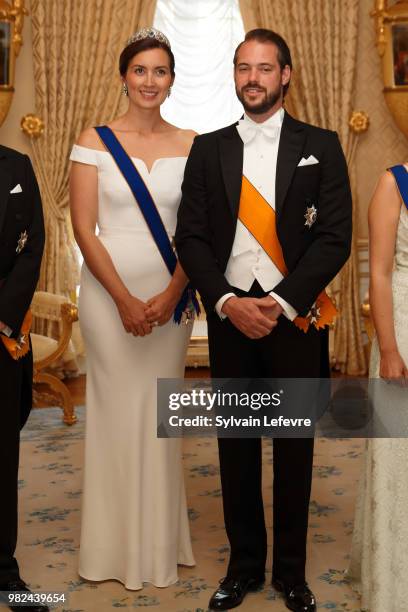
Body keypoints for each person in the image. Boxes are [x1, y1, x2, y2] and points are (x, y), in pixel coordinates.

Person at [176, 28, 352, 612]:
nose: (253, 78)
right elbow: (192, 237)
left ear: (286, 75)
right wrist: (226, 301)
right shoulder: (210, 148)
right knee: (237, 446)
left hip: (293, 319)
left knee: (295, 447)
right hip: (231, 318)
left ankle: (292, 575)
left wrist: (278, 302)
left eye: (264, 68)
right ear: (235, 75)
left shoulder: (321, 145)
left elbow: (334, 239)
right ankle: (244, 567)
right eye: (243, 68)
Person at [69, 27, 196, 590]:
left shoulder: (194, 143)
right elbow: (83, 228)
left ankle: (159, 544)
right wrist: (122, 299)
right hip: (106, 298)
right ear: (124, 76)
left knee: (160, 418)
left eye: (160, 71)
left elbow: (199, 231)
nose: (150, 81)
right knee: (117, 413)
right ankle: (110, 549)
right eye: (140, 70)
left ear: (172, 80)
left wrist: (170, 295)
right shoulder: (93, 141)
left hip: (172, 298)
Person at [348, 164, 408, 610]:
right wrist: (388, 349)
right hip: (403, 330)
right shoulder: (394, 182)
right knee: (397, 457)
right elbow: (381, 276)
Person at [0, 145, 46, 611]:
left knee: (2, 452)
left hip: (2, 327)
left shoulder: (17, 165)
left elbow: (33, 245)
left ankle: (3, 570)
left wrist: (2, 316)